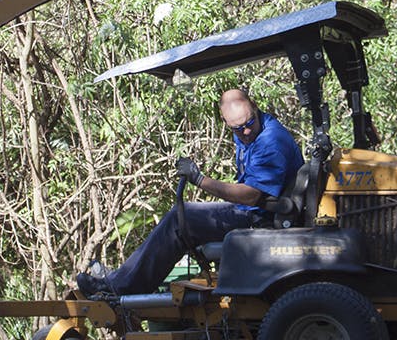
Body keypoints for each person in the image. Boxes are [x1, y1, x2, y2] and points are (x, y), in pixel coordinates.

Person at [76, 88, 305, 298]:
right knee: (182, 214)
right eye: (237, 128)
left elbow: (251, 195)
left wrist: (199, 179)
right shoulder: (249, 131)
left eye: (248, 123)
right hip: (252, 210)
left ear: (254, 107)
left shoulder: (270, 142)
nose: (244, 131)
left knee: (180, 218)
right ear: (225, 121)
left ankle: (119, 287)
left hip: (261, 217)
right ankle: (123, 278)